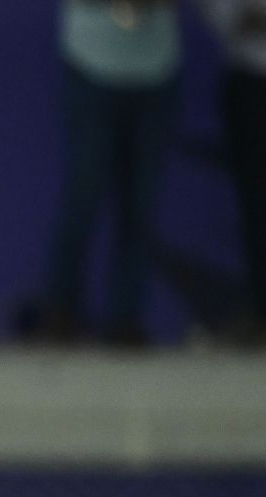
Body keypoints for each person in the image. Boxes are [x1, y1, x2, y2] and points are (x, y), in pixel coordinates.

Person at [39, 0, 181, 345]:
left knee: (140, 205)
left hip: (156, 69)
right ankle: (60, 313)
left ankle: (125, 319)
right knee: (84, 196)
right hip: (92, 63)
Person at [201, 0, 266, 343]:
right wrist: (242, 18)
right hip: (249, 81)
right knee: (257, 206)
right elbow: (222, 13)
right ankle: (261, 313)